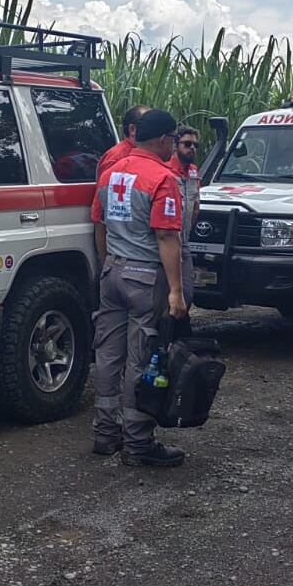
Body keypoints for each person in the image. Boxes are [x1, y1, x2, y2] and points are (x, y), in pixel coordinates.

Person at [89, 109, 190, 467]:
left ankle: (105, 434)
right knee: (141, 359)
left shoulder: (111, 173)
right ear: (163, 139)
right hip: (145, 277)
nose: (174, 146)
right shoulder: (163, 178)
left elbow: (99, 223)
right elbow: (166, 236)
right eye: (173, 139)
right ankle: (137, 443)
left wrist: (107, 264)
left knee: (107, 355)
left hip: (112, 272)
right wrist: (176, 291)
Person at [171, 125, 203, 306]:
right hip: (167, 241)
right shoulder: (166, 169)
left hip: (184, 242)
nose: (192, 148)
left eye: (195, 145)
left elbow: (196, 205)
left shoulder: (193, 171)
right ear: (175, 145)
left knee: (188, 293)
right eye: (187, 144)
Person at [97, 104, 152, 180]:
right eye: (149, 126)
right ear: (132, 129)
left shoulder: (149, 153)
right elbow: (106, 185)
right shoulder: (117, 156)